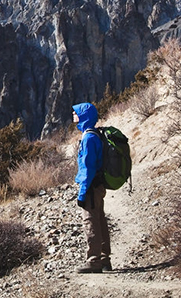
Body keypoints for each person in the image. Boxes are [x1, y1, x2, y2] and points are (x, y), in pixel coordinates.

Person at [73, 102, 111, 273]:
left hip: (90, 186)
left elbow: (88, 168)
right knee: (100, 220)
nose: (73, 115)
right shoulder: (94, 134)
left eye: (76, 113)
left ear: (84, 116)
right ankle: (104, 259)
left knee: (90, 222)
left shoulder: (88, 138)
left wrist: (82, 193)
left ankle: (94, 261)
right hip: (98, 185)